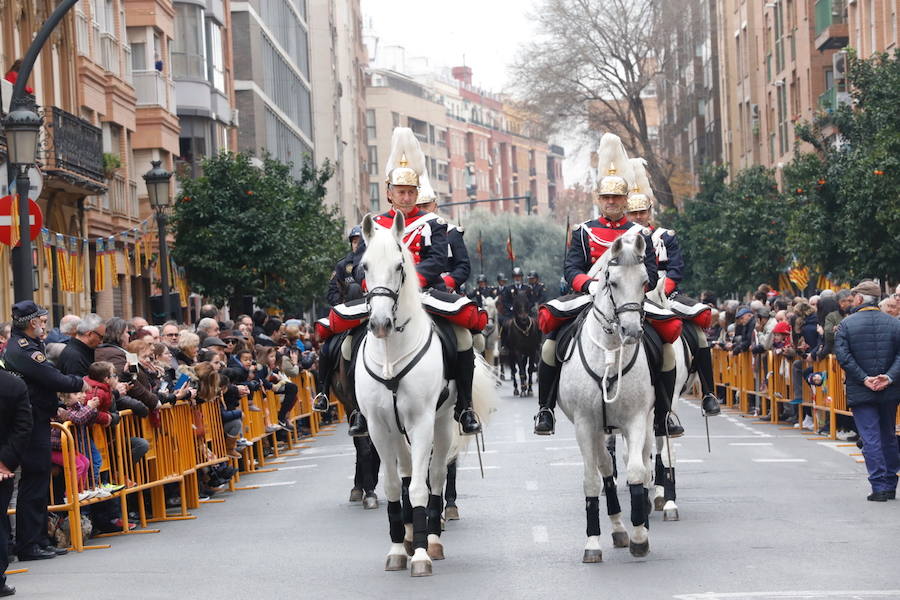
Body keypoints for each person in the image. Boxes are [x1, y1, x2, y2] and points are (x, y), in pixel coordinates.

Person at [534, 146, 659, 435]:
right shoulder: (583, 231)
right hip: (591, 300)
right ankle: (545, 409)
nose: (612, 202)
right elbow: (572, 268)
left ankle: (664, 411)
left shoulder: (641, 234)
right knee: (551, 344)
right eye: (607, 197)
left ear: (626, 200)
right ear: (599, 200)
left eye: (617, 197)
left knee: (664, 344)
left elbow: (650, 272)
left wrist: (637, 288)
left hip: (631, 301)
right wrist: (589, 284)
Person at [364, 128, 481, 435]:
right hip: (383, 295)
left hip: (424, 293)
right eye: (400, 191)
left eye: (410, 192)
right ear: (389, 192)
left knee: (463, 337)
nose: (405, 197)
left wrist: (412, 282)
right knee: (348, 341)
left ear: (416, 194)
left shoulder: (433, 224)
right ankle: (356, 408)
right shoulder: (374, 225)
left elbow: (438, 260)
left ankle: (465, 406)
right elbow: (357, 262)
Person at [625, 179, 721, 430]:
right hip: (630, 294)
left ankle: (709, 393)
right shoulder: (621, 239)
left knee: (698, 334)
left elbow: (677, 269)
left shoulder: (665, 237)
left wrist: (662, 291)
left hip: (667, 292)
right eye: (633, 213)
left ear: (649, 213)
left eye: (642, 212)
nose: (638, 217)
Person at [2, 301, 85, 560]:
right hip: (31, 420)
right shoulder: (23, 349)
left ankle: (38, 538)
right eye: (42, 320)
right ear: (32, 322)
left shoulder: (29, 345)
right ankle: (29, 544)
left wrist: (57, 403)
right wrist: (78, 381)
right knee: (35, 480)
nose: (45, 325)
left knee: (39, 480)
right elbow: (49, 377)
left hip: (38, 416)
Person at [834, 280, 900, 502]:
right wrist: (888, 377)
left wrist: (864, 378)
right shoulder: (894, 323)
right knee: (888, 434)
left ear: (860, 299)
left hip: (862, 389)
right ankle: (890, 483)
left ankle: (880, 486)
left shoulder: (846, 325)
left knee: (871, 437)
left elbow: (843, 357)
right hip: (889, 388)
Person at [0, 368, 32, 596]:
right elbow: (22, 427)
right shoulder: (13, 384)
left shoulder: (13, 385)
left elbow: (23, 426)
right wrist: (5, 462)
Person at [327, 226, 366, 306]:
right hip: (349, 311)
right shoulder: (342, 265)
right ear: (351, 244)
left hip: (371, 308)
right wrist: (343, 303)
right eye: (355, 242)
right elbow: (332, 293)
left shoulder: (373, 264)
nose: (357, 245)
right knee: (354, 288)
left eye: (360, 242)